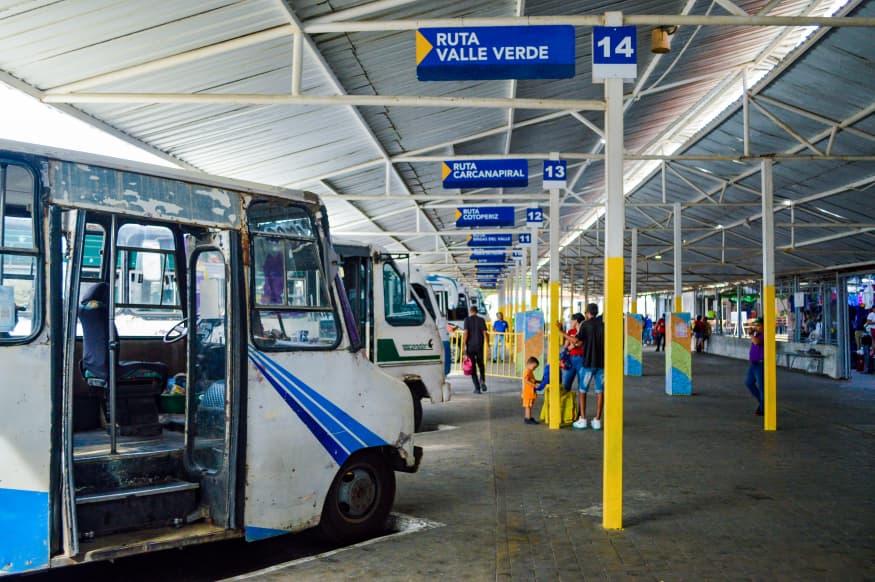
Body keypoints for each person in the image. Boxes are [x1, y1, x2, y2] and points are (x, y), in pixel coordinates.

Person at [572, 303, 605, 431]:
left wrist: (561, 332)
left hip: (588, 363)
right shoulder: (603, 325)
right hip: (602, 364)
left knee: (582, 391)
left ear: (587, 313)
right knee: (599, 391)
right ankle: (597, 420)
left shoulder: (585, 324)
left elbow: (576, 341)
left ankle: (583, 419)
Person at [555, 313, 585, 393]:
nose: (571, 322)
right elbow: (566, 346)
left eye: (572, 320)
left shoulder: (584, 331)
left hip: (581, 359)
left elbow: (580, 344)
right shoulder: (570, 331)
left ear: (576, 321)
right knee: (566, 384)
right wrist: (572, 345)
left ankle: (580, 406)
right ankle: (566, 404)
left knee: (581, 386)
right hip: (570, 359)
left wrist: (574, 343)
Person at [463, 305, 489, 393]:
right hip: (479, 346)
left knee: (472, 366)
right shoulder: (481, 320)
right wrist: (488, 345)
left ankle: (477, 388)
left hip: (470, 347)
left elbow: (466, 333)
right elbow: (485, 333)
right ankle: (482, 381)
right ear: (477, 311)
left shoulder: (467, 320)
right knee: (481, 364)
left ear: (470, 311)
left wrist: (463, 345)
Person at [745, 317, 765, 416]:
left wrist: (751, 334)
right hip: (753, 364)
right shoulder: (757, 334)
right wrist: (753, 333)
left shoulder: (765, 335)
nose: (756, 327)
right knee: (749, 383)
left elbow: (757, 342)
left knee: (762, 387)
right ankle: (762, 403)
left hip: (761, 364)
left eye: (758, 326)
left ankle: (763, 408)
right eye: (755, 325)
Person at [522, 357, 540, 425]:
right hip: (528, 393)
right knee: (528, 407)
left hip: (529, 393)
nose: (534, 369)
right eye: (534, 367)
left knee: (529, 406)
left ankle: (528, 417)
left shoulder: (530, 371)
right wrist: (534, 385)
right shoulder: (528, 371)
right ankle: (527, 419)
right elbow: (526, 380)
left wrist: (539, 381)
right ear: (529, 364)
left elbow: (533, 380)